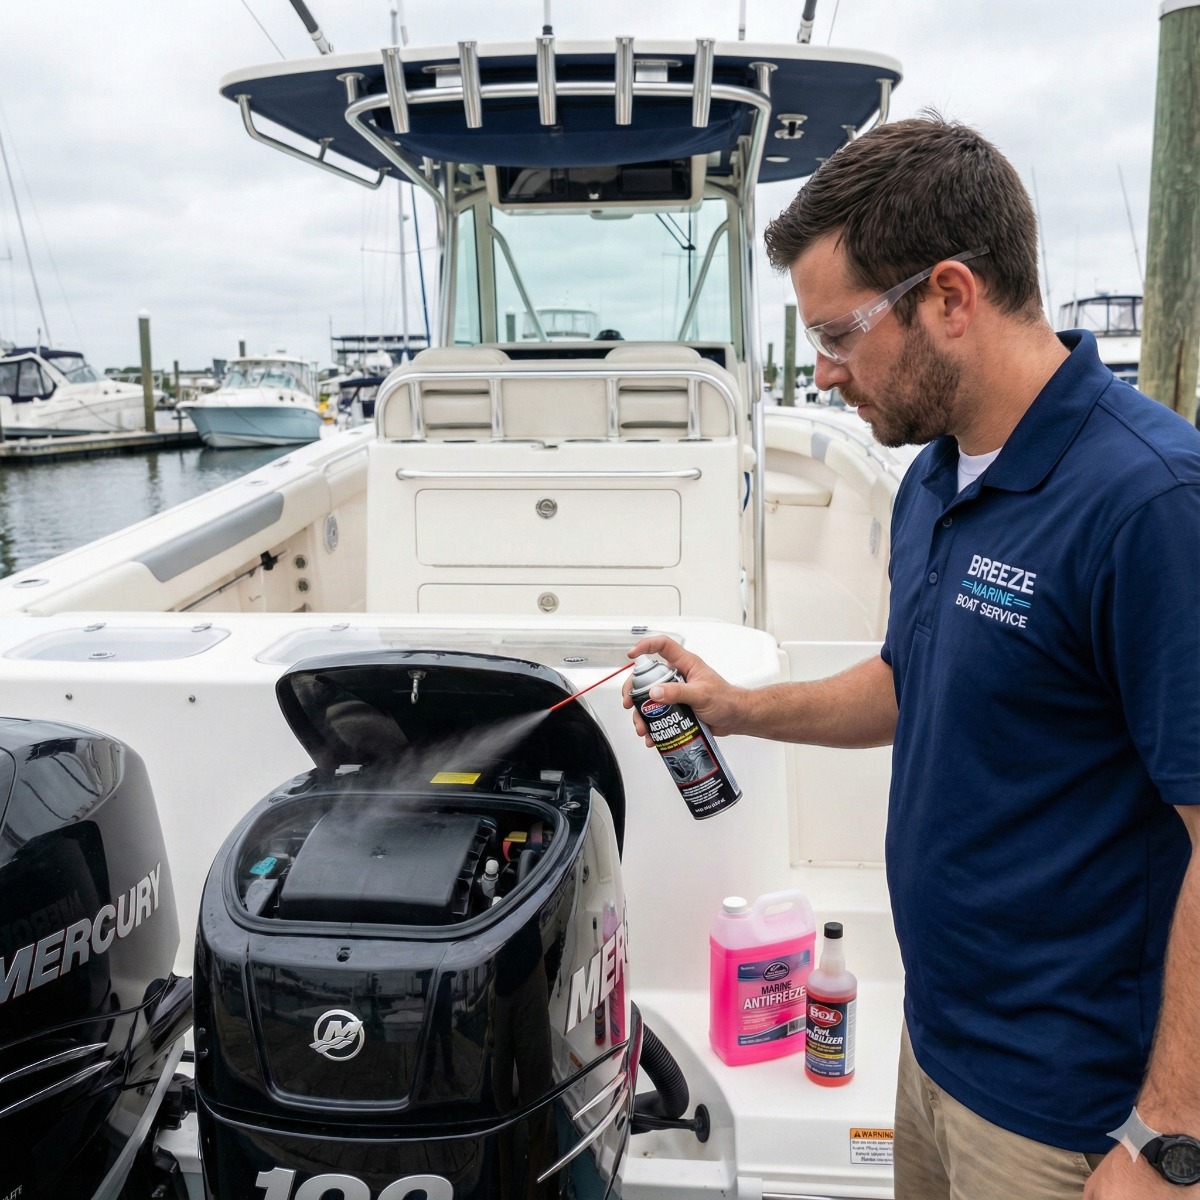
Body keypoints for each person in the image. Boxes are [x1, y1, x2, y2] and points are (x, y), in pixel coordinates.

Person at [625, 115, 1200, 1200]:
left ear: (949, 295)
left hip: (1075, 1113)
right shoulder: (934, 476)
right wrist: (740, 707)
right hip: (932, 1047)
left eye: (839, 336)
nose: (827, 375)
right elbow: (911, 677)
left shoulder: (1152, 505)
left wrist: (1170, 1137)